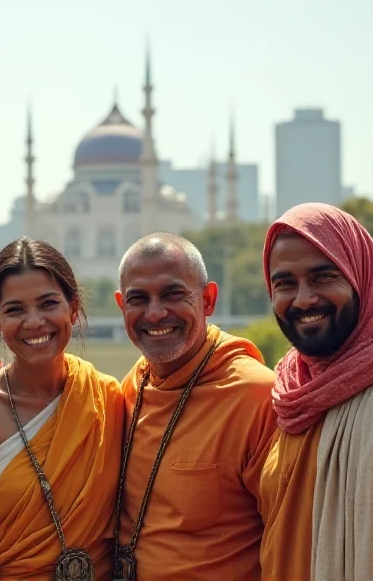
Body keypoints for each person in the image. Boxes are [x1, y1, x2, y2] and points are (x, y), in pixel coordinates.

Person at [259, 202, 373, 580]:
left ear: (362, 278)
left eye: (323, 277)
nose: (304, 299)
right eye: (285, 283)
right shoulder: (291, 395)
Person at [0, 237, 124, 580]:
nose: (34, 321)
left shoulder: (109, 399)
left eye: (48, 304)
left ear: (73, 307)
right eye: (15, 310)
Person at [112, 232, 277, 580]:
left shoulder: (254, 395)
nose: (155, 314)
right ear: (120, 306)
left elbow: (289, 539)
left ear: (208, 299)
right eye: (138, 299)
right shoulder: (132, 388)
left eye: (173, 294)